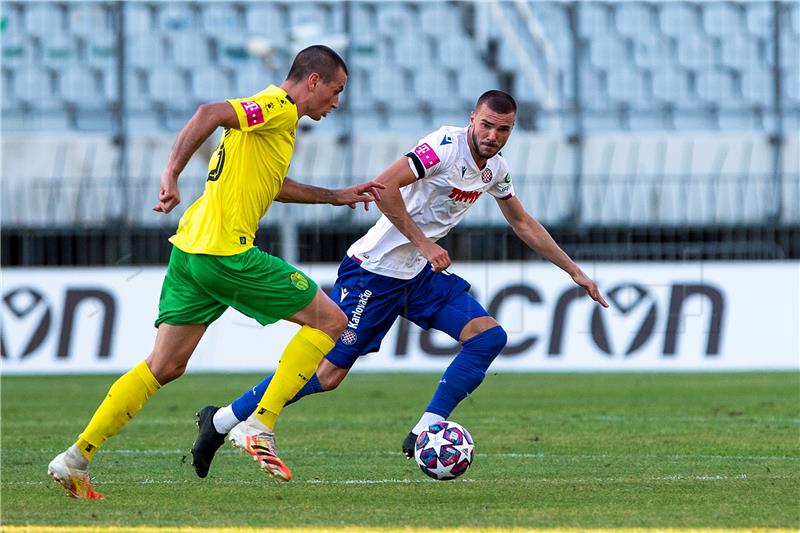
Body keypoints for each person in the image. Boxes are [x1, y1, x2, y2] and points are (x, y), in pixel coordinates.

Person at [190, 90, 609, 480]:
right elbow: (384, 186)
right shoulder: (445, 146)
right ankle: (224, 419)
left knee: (487, 337)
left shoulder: (495, 170)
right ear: (472, 119)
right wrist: (425, 244)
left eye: (503, 130)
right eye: (486, 125)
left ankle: (426, 429)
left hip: (417, 275)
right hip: (373, 270)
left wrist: (574, 272)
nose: (492, 136)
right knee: (329, 374)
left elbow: (522, 222)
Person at [46, 45, 385, 498]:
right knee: (332, 321)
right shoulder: (278, 108)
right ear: (313, 81)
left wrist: (336, 195)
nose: (337, 103)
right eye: (336, 91)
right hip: (225, 253)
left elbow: (273, 185)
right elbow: (209, 112)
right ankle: (258, 425)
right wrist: (171, 173)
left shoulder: (268, 124)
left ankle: (76, 457)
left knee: (164, 366)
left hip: (190, 251)